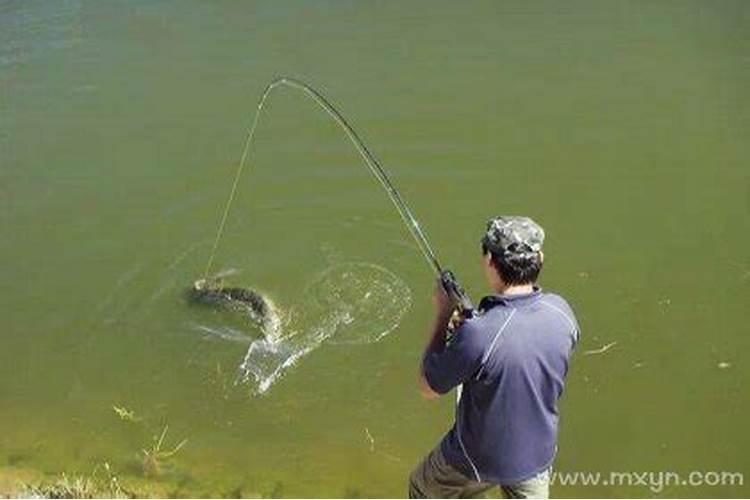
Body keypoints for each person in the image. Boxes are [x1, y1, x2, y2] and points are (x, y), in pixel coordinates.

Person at [409, 216, 579, 499]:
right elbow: (518, 348)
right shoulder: (562, 313)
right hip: (537, 457)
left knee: (421, 488)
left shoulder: (479, 334)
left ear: (489, 260)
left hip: (476, 460)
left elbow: (428, 387)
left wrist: (442, 313)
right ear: (540, 258)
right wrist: (476, 327)